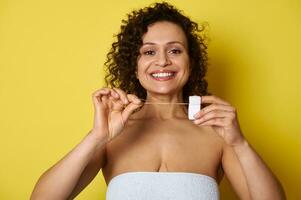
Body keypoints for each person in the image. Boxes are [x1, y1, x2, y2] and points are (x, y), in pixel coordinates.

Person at [30, 2, 286, 200]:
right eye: (149, 51)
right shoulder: (114, 132)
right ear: (135, 64)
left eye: (175, 50)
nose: (162, 61)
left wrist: (239, 143)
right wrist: (96, 137)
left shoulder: (216, 131)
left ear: (191, 61)